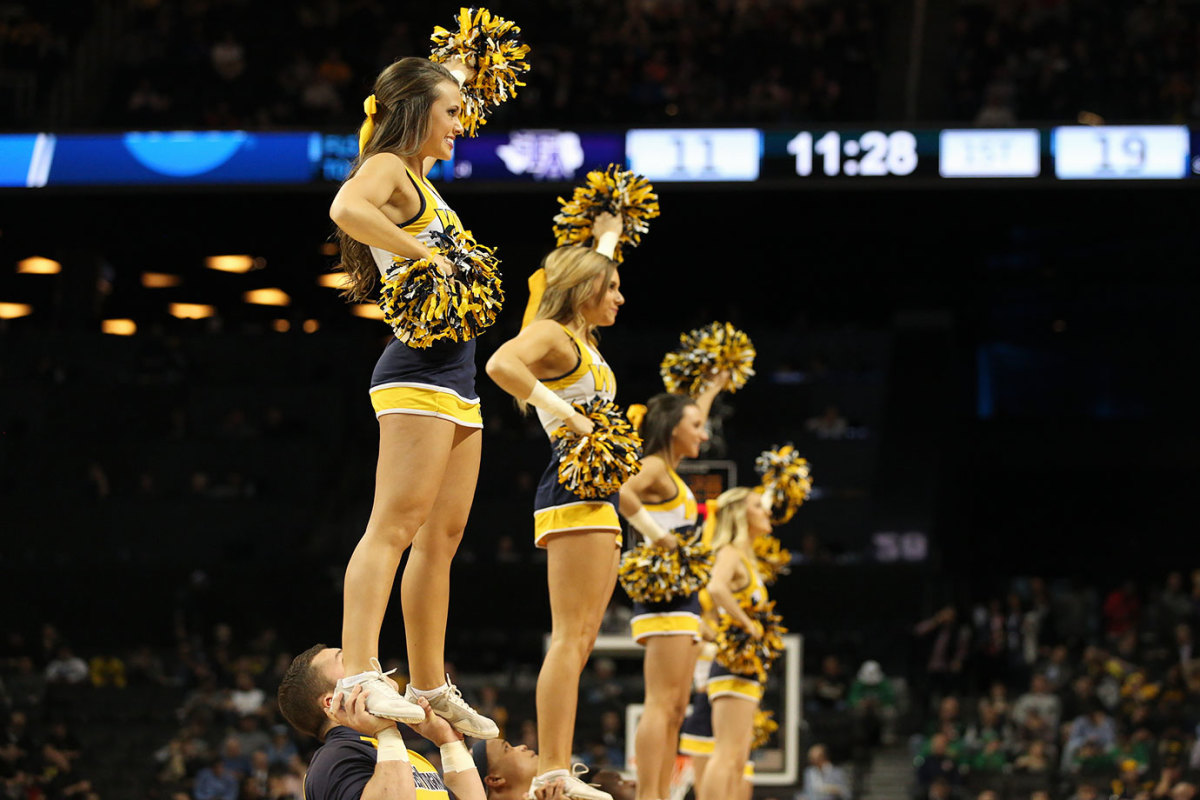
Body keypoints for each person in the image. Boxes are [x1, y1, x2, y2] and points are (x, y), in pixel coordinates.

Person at [326, 54, 496, 737]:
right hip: (418, 369)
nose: (462, 124)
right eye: (451, 112)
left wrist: (457, 64)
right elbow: (345, 206)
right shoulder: (390, 167)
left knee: (441, 539)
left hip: (459, 374)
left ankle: (431, 682)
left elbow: (437, 77)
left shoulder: (424, 180)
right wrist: (425, 257)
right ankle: (363, 673)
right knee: (393, 526)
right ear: (414, 112)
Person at [484, 226, 631, 800]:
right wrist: (565, 415)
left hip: (597, 493)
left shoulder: (582, 340)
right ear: (583, 288)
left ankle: (560, 770)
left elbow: (594, 273)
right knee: (569, 638)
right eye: (611, 286)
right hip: (572, 488)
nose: (619, 296)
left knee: (584, 638)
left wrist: (610, 234)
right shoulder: (552, 335)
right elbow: (501, 364)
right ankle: (553, 771)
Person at [620, 387, 728, 800]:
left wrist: (713, 386)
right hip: (663, 594)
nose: (704, 434)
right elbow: (623, 491)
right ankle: (650, 793)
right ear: (670, 428)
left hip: (682, 597)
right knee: (662, 703)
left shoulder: (671, 469)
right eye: (696, 426)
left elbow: (690, 415)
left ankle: (661, 792)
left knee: (676, 708)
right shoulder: (654, 467)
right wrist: (659, 537)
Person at [276, 643, 487, 800]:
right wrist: (387, 731)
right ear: (335, 702)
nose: (366, 665)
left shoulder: (395, 752)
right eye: (347, 660)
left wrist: (449, 742)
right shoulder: (335, 757)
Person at [695, 486, 775, 800]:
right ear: (741, 514)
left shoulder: (749, 558)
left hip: (745, 668)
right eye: (757, 506)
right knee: (727, 755)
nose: (766, 511)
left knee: (738, 759)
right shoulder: (730, 551)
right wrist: (747, 624)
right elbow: (716, 588)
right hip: (731, 664)